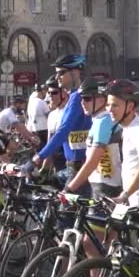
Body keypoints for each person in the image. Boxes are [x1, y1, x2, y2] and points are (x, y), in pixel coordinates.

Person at [27, 54, 92, 195]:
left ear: (75, 72)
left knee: (65, 210)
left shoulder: (77, 97)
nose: (57, 77)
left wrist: (38, 157)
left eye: (61, 72)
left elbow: (63, 131)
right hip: (72, 166)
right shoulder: (74, 97)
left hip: (80, 167)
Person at [64, 77, 122, 200]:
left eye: (87, 98)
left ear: (101, 100)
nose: (82, 103)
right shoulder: (99, 120)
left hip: (107, 187)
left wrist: (69, 188)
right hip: (101, 184)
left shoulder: (104, 122)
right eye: (81, 99)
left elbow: (92, 161)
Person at [105, 79, 139, 206]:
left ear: (130, 106)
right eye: (108, 105)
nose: (109, 109)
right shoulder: (128, 128)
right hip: (134, 198)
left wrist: (124, 195)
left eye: (115, 105)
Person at [0, 95, 39, 161]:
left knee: (13, 146)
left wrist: (31, 135)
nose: (23, 108)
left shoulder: (11, 112)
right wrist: (31, 138)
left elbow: (21, 126)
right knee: (6, 159)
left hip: (0, 134)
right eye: (23, 105)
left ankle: (0, 162)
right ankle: (3, 164)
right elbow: (19, 128)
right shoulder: (9, 113)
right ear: (18, 104)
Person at [27, 83, 49, 150]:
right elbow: (49, 116)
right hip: (44, 130)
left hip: (34, 130)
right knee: (46, 149)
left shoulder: (30, 103)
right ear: (41, 92)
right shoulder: (41, 102)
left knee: (38, 149)